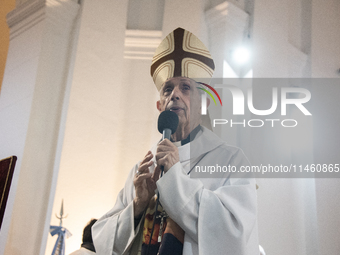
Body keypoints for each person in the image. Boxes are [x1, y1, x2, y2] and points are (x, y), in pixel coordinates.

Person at [92, 27, 258, 255]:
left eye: (186, 87)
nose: (175, 95)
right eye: (167, 89)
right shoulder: (142, 171)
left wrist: (175, 176)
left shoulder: (230, 159)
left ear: (204, 104)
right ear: (159, 106)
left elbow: (233, 231)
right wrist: (138, 206)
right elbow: (102, 240)